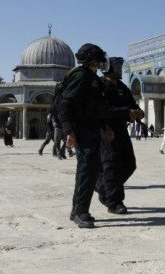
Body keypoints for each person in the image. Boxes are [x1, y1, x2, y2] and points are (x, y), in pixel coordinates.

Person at [59, 43, 143, 228]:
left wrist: (105, 126)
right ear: (90, 59)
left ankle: (78, 210)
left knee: (90, 171)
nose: (100, 63)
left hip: (94, 129)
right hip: (82, 131)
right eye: (97, 60)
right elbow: (64, 105)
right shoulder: (81, 77)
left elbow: (97, 108)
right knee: (86, 172)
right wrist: (69, 131)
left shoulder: (92, 78)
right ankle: (81, 212)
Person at [95, 57, 142, 215]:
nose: (120, 70)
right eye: (117, 68)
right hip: (106, 129)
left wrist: (138, 112)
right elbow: (100, 110)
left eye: (121, 67)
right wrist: (106, 126)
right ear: (108, 68)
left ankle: (103, 187)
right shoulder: (100, 86)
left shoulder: (122, 87)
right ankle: (114, 202)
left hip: (121, 129)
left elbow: (133, 105)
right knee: (111, 165)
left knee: (129, 163)